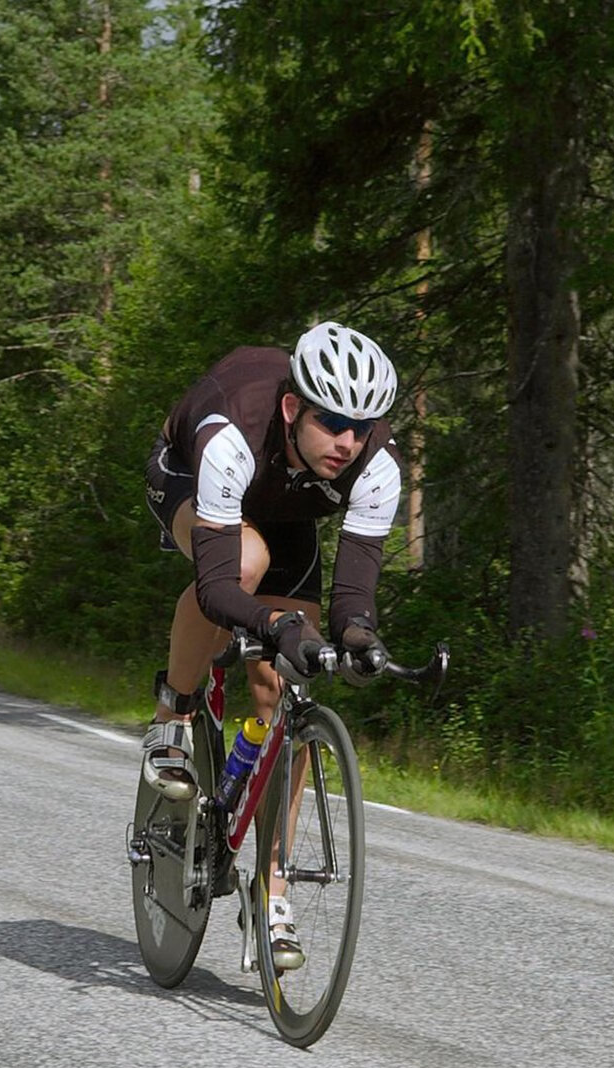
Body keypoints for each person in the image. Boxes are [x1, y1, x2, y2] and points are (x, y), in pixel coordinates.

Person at [141, 320, 401, 971]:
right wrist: (273, 622)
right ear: (292, 408)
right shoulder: (230, 432)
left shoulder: (377, 464)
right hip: (192, 480)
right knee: (246, 563)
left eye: (361, 426)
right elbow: (219, 588)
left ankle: (271, 891)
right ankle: (172, 716)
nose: (348, 441)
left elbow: (352, 598)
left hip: (288, 510)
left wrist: (360, 639)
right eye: (332, 421)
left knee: (283, 686)